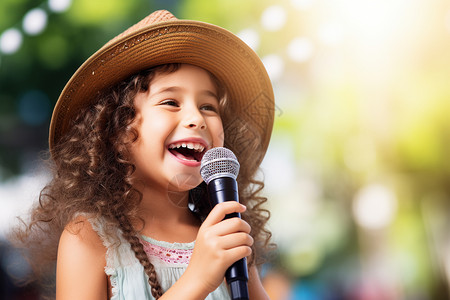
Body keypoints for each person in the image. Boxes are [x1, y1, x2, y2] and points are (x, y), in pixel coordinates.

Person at [10, 10, 275, 300]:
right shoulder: (89, 238)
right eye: (171, 102)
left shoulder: (226, 238)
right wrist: (196, 280)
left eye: (208, 107)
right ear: (116, 130)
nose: (196, 119)